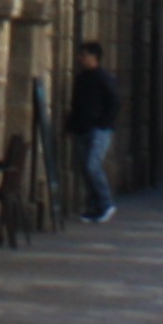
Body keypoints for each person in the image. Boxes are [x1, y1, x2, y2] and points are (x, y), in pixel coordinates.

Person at [67, 41, 122, 222]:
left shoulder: (103, 77)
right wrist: (72, 125)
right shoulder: (81, 78)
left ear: (94, 57)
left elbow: (115, 101)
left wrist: (104, 123)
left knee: (92, 165)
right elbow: (76, 104)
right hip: (82, 129)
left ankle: (106, 203)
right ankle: (93, 206)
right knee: (85, 169)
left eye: (84, 55)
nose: (80, 59)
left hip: (99, 130)